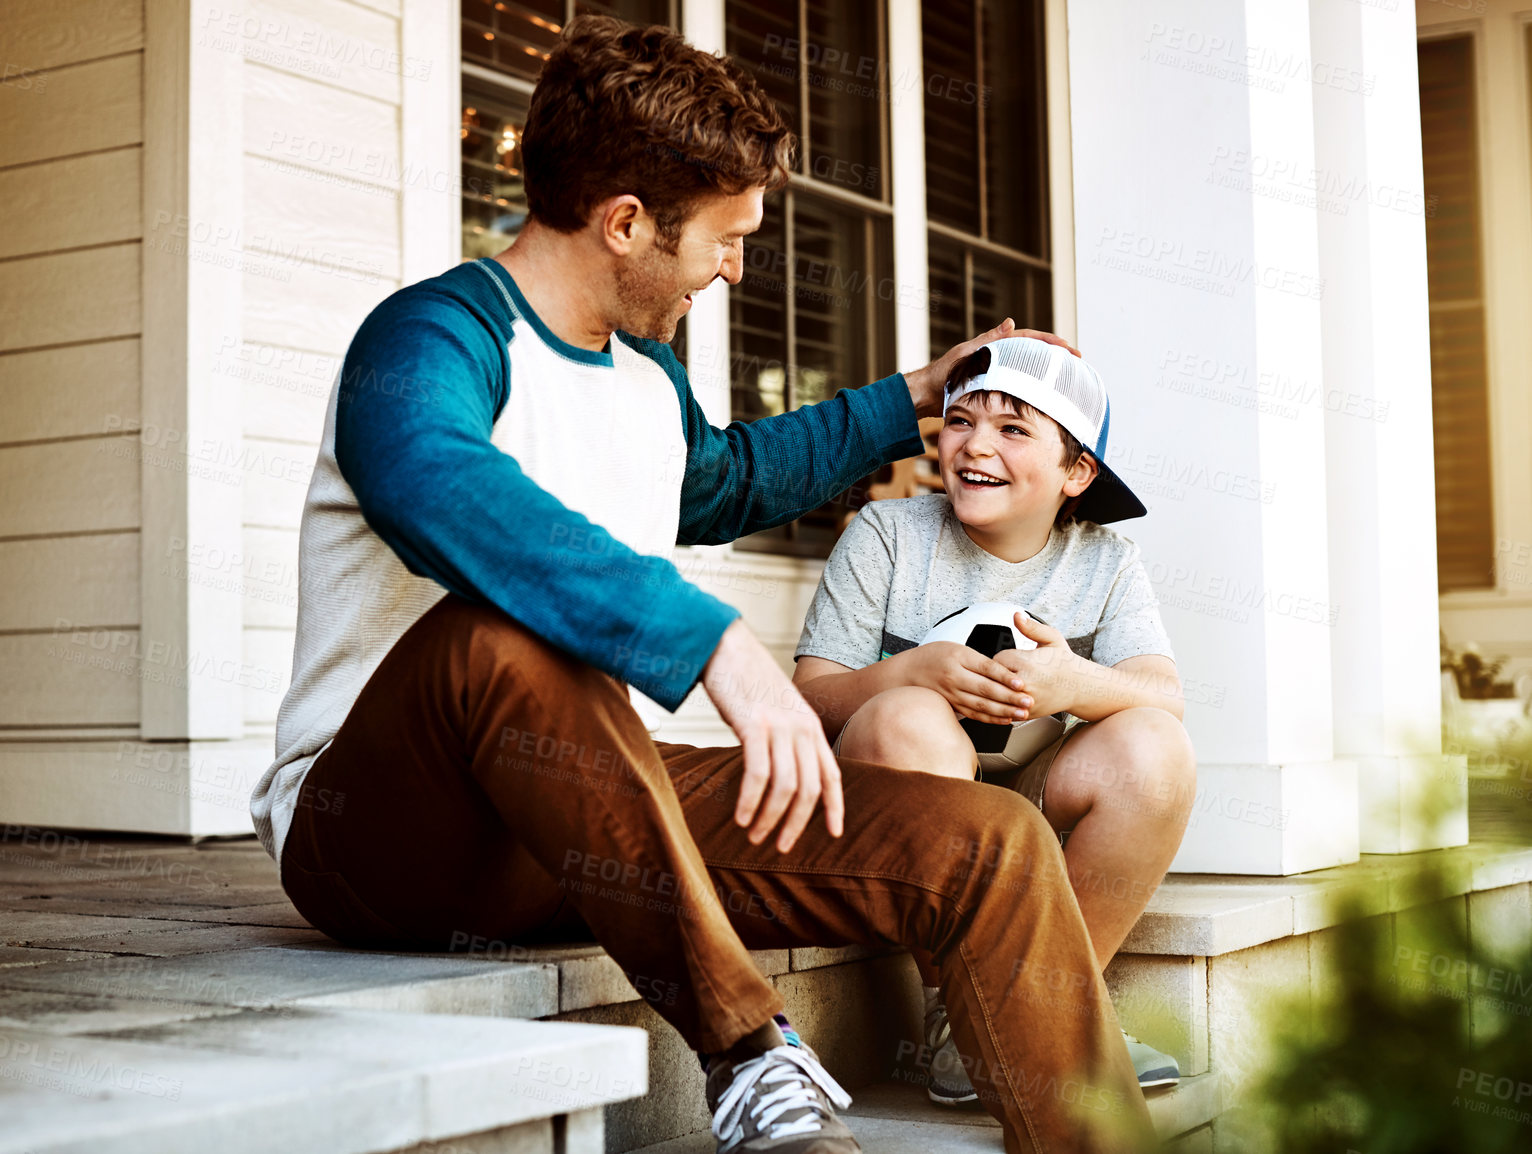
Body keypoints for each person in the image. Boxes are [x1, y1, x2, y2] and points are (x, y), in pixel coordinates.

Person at [249, 15, 1157, 1153]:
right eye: (724, 239)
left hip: (593, 808)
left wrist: (911, 395)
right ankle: (751, 1053)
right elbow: (435, 481)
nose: (736, 267)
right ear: (625, 223)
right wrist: (716, 643)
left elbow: (723, 477)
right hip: (382, 833)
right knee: (504, 637)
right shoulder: (433, 335)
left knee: (988, 840)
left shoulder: (643, 374)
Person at [791, 337, 1198, 1106]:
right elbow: (811, 696)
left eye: (1014, 428)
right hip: (903, 805)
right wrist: (910, 671)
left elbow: (1163, 692)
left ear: (1076, 473)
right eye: (960, 420)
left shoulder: (1105, 559)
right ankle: (960, 1018)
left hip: (1030, 789)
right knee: (907, 717)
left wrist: (1069, 680)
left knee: (1155, 745)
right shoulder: (887, 536)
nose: (975, 443)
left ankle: (1056, 1012)